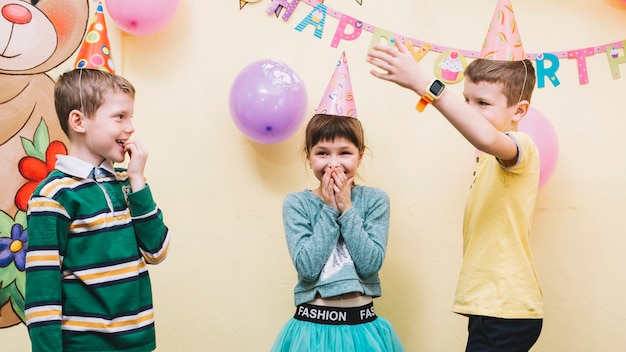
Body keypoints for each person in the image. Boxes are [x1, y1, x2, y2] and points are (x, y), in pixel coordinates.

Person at [367, 38, 543, 352]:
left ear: (520, 110)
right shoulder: (488, 158)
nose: (471, 111)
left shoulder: (519, 146)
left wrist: (425, 83)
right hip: (491, 307)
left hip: (504, 306)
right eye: (467, 100)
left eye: (483, 103)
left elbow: (487, 137)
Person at [24, 68, 170, 352]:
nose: (130, 128)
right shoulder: (53, 196)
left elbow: (157, 252)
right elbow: (43, 293)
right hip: (85, 345)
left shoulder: (128, 184)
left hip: (137, 343)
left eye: (131, 117)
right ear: (79, 121)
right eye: (120, 116)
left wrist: (138, 180)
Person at [271, 113, 405, 352]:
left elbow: (370, 264)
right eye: (322, 153)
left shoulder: (375, 200)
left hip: (362, 328)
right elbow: (307, 268)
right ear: (309, 157)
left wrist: (347, 208)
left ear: (360, 156)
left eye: (344, 152)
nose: (333, 164)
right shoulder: (296, 204)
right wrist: (330, 208)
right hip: (312, 331)